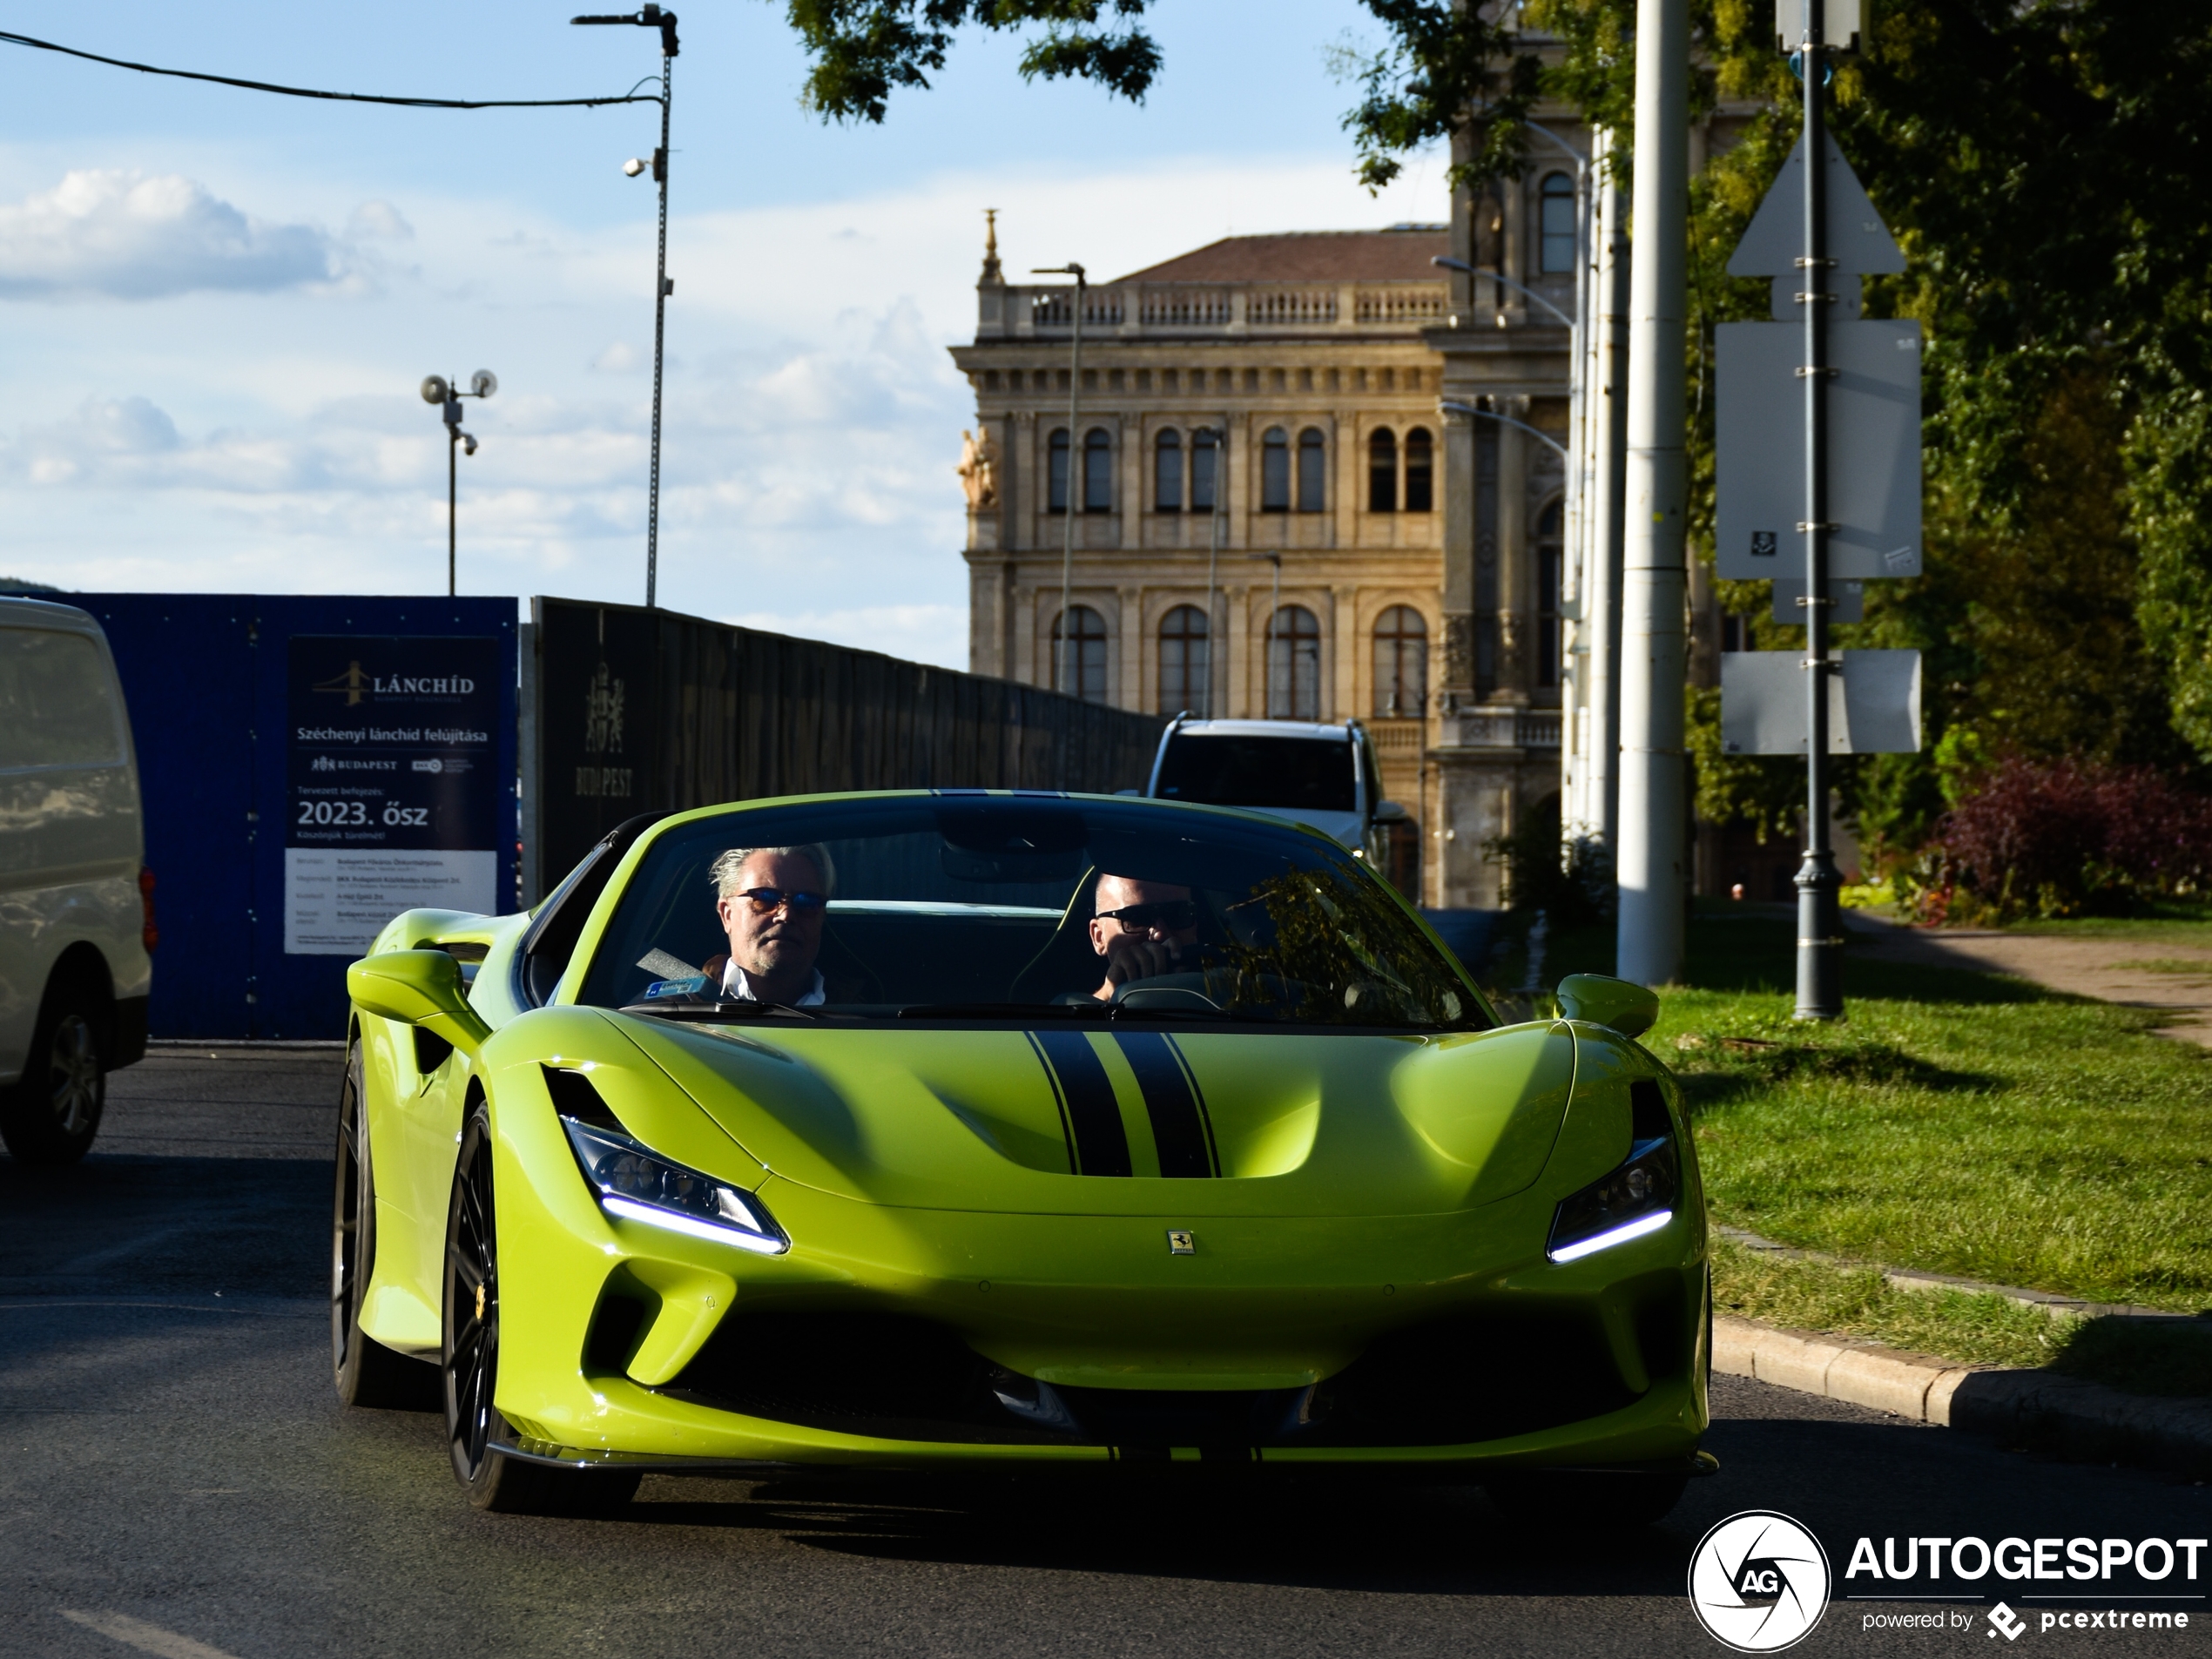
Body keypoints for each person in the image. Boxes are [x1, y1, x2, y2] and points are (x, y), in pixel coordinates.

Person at [701, 844, 835, 1006]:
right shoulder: (671, 1015)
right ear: (727, 915)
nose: (785, 915)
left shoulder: (866, 1014)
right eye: (765, 898)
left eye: (806, 902)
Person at [1088, 873, 1202, 1001]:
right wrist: (1108, 996)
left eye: (1177, 914)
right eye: (1137, 918)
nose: (1160, 934)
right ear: (1099, 937)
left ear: (1195, 926)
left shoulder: (1224, 990)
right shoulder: (1069, 1019)